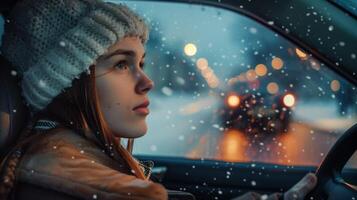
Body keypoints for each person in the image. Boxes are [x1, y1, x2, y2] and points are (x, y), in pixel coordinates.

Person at [0, 0, 317, 199]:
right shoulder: (79, 184)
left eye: (142, 63)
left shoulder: (66, 162)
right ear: (65, 80)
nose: (147, 82)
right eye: (122, 64)